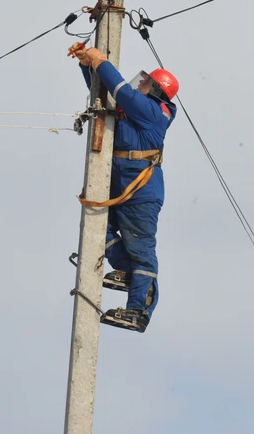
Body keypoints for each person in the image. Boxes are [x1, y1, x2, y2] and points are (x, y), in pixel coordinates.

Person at [69, 43, 178, 333]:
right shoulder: (136, 109)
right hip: (117, 187)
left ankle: (138, 311)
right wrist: (87, 65)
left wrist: (100, 60)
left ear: (156, 90)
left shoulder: (155, 111)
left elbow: (121, 91)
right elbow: (105, 92)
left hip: (140, 194)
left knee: (141, 249)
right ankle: (127, 272)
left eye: (146, 82)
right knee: (96, 230)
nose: (140, 83)